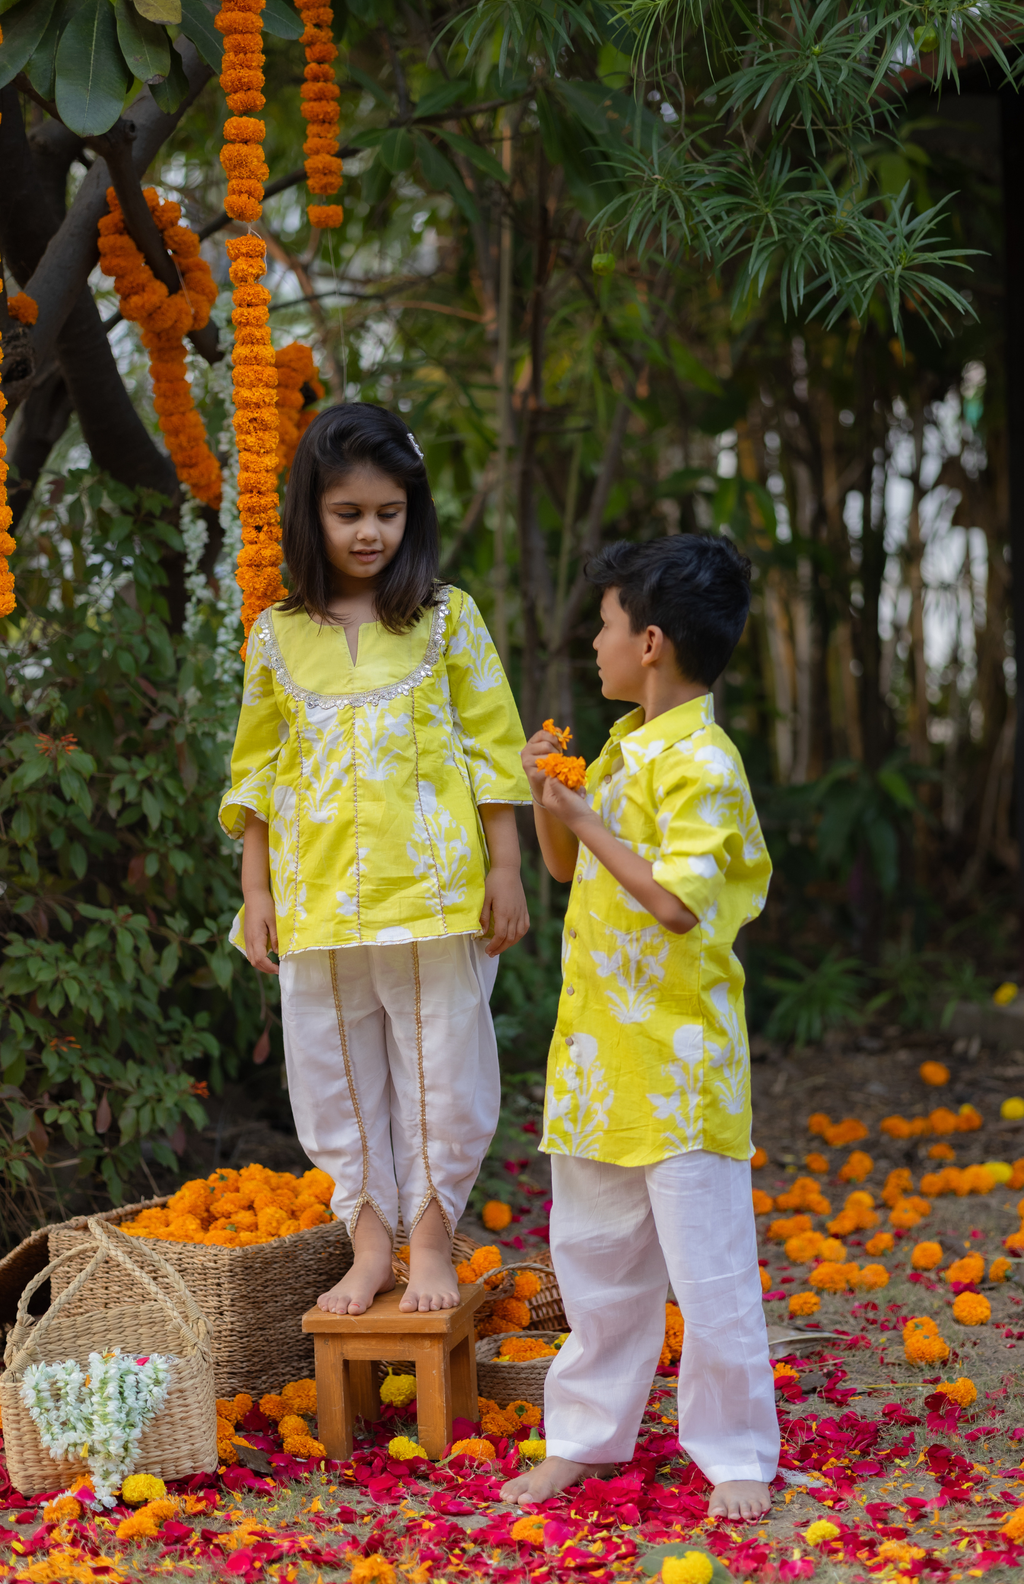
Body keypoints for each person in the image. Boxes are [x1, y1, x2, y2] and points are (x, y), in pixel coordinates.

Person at [219, 403, 531, 1317]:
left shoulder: (447, 619)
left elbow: (494, 750)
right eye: (349, 513)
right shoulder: (275, 635)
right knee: (332, 1073)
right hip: (317, 902)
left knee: (445, 1068)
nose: (369, 532)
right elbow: (258, 772)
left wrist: (505, 870)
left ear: (413, 512)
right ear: (312, 513)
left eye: (389, 513)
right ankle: (369, 1243)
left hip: (435, 896)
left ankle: (430, 1240)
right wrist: (257, 890)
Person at [502, 535, 778, 1523]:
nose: (594, 640)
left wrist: (582, 820)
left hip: (679, 1065)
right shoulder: (624, 747)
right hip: (597, 1060)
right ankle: (582, 1437)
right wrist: (551, 800)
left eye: (607, 625)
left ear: (651, 642)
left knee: (710, 1276)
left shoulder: (703, 760)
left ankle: (737, 1450)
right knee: (595, 1264)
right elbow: (570, 870)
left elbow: (673, 904)